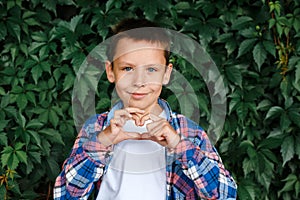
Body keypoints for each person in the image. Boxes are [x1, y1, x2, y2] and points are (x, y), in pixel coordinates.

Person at [53, 18, 237, 200]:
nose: (139, 82)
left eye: (151, 70)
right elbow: (65, 195)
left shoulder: (188, 133)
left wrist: (179, 146)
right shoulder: (97, 128)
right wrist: (102, 141)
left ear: (166, 74)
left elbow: (225, 194)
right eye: (127, 68)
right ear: (111, 72)